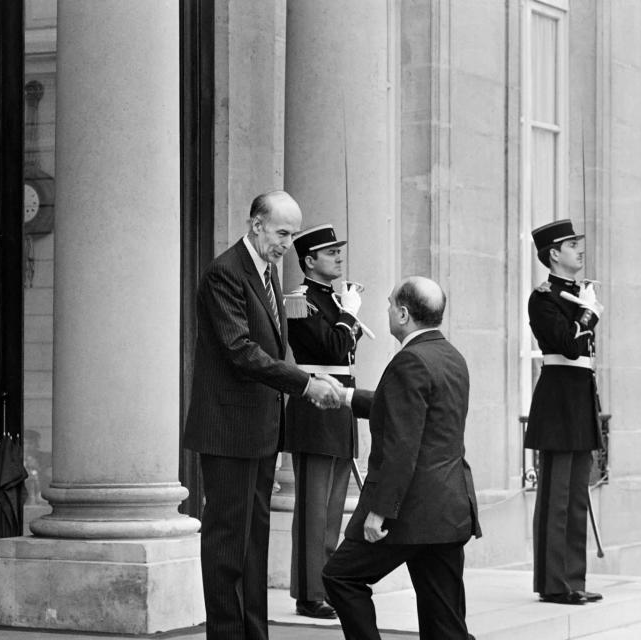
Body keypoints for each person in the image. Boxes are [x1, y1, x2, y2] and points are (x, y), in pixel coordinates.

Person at [182, 190, 341, 640]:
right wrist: (305, 383)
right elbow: (240, 351)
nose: (287, 243)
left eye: (291, 235)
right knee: (228, 545)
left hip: (260, 428)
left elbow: (271, 347)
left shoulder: (267, 272)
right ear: (255, 225)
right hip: (228, 430)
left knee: (254, 545)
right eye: (281, 233)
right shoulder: (224, 273)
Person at [322, 276, 481, 640]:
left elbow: (401, 443)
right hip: (447, 509)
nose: (388, 308)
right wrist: (346, 397)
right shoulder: (450, 356)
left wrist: (380, 509)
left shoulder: (409, 361)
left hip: (409, 510)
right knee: (445, 624)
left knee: (341, 577)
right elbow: (405, 412)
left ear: (404, 314)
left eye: (391, 303)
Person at [284, 224, 363, 619]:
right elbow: (333, 345)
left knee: (333, 509)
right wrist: (348, 315)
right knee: (314, 508)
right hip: (314, 411)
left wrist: (345, 314)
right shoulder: (300, 302)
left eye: (338, 251)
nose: (338, 257)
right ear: (310, 261)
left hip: (340, 407)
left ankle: (326, 585)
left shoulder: (332, 301)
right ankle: (309, 592)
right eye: (330, 252)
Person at [525, 219, 604, 605]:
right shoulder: (543, 298)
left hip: (579, 397)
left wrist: (585, 309)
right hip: (557, 400)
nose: (579, 249)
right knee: (556, 497)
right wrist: (588, 315)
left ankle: (572, 579)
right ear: (554, 254)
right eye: (572, 244)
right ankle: (554, 583)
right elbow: (569, 346)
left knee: (575, 497)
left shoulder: (577, 294)